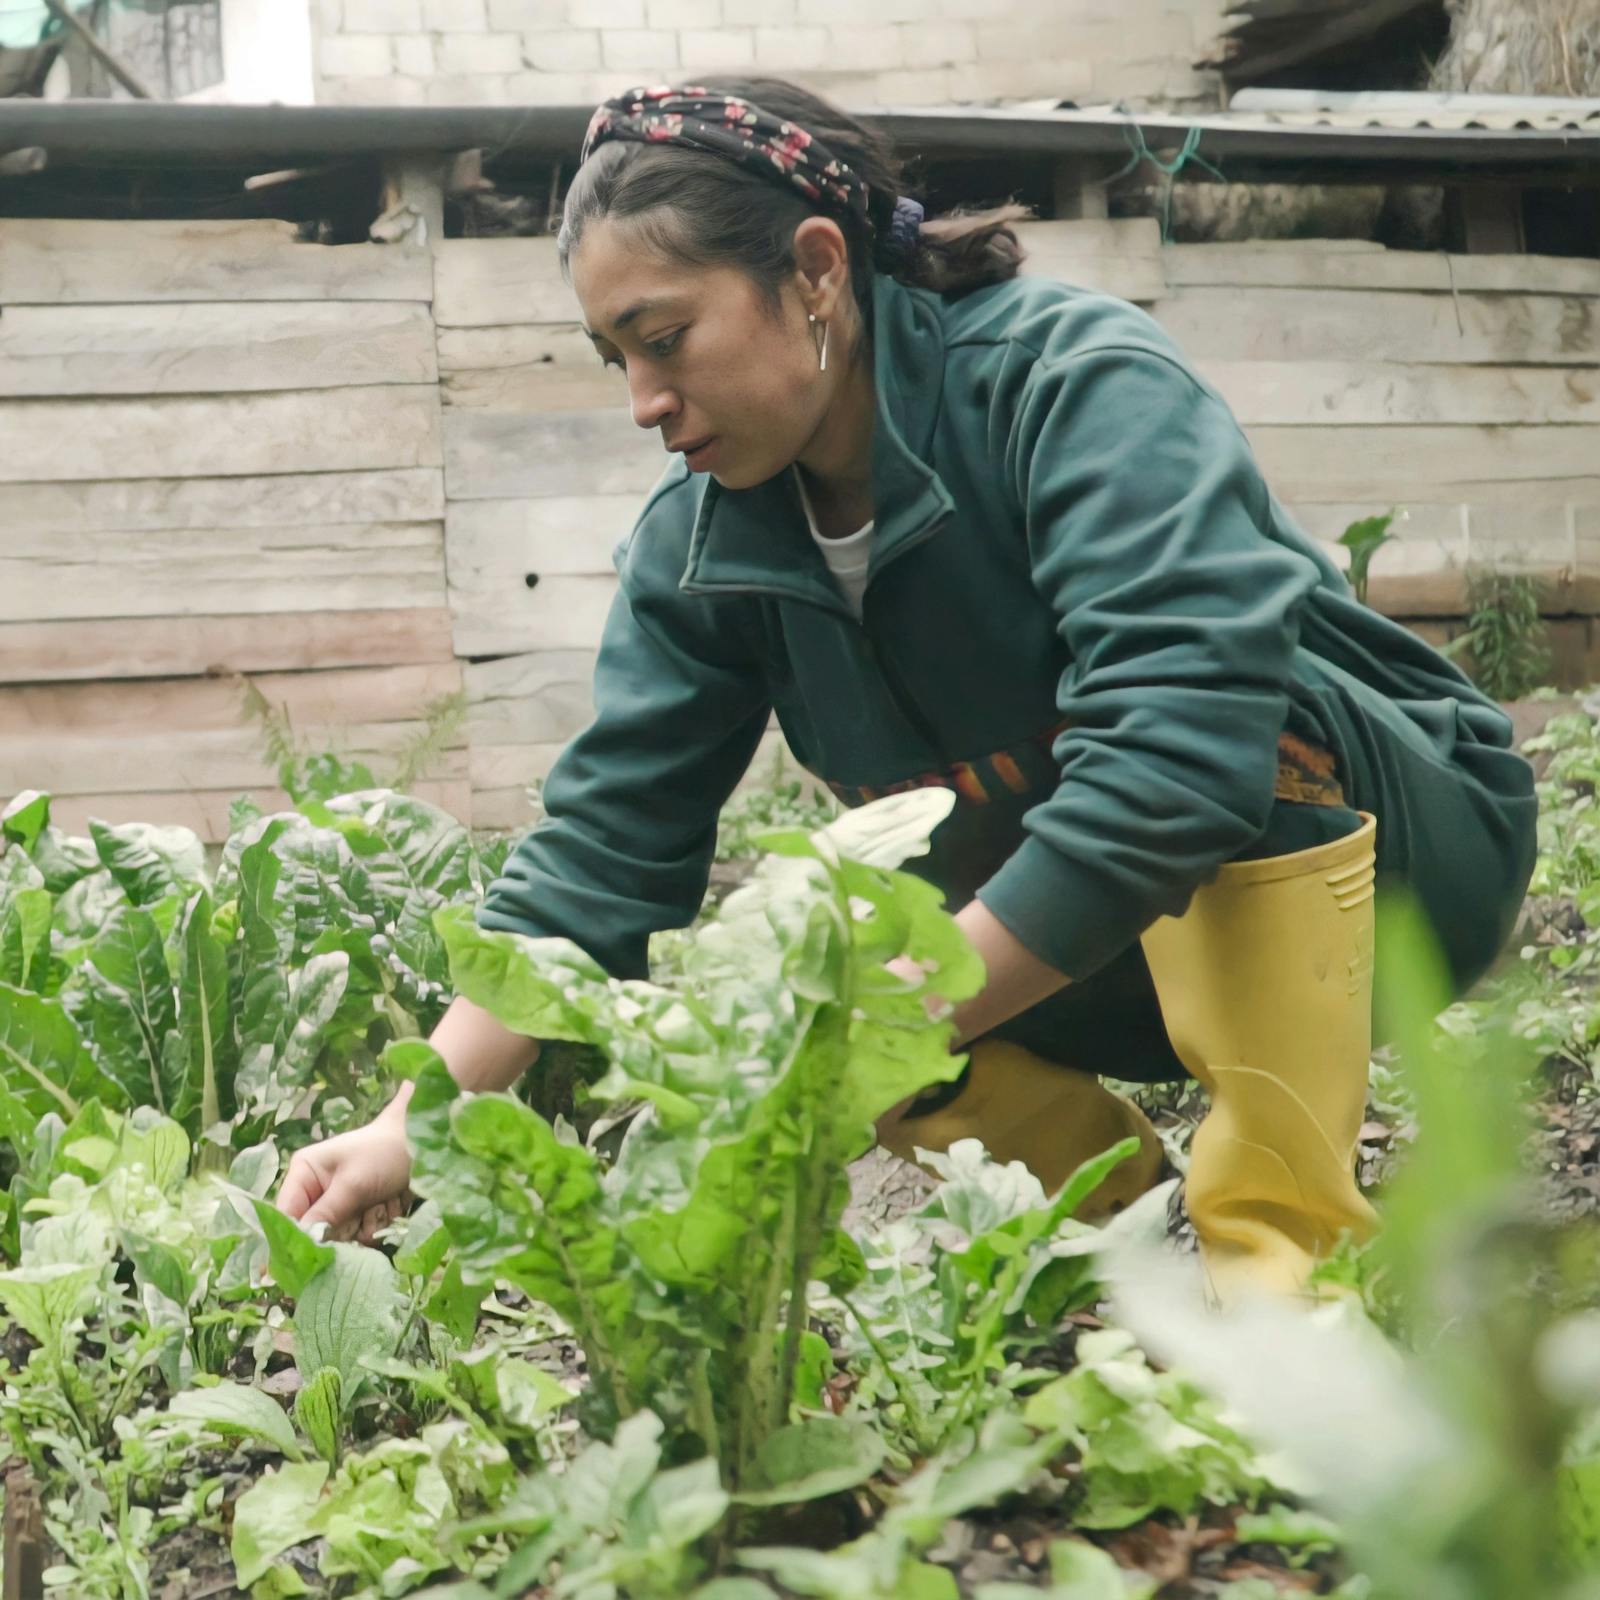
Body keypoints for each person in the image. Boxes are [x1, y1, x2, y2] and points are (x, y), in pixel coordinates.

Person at [276, 77, 1538, 1305]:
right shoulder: (702, 543)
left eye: (664, 340)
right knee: (820, 963)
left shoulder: (1068, 382)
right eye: (614, 356)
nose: (642, 402)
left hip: (1400, 876)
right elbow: (605, 848)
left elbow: (1179, 754)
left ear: (817, 268)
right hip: (1094, 953)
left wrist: (890, 1025)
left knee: (1223, 749)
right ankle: (1132, 1242)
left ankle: (1282, 1261)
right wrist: (413, 1120)